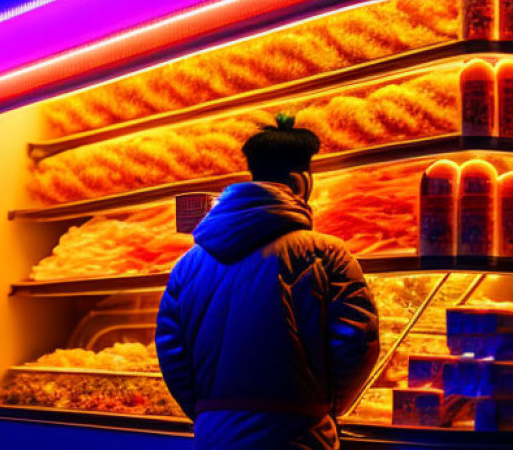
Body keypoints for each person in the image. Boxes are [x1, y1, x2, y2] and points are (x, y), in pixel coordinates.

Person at [156, 115, 380, 449]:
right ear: (300, 182)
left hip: (214, 436)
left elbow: (172, 351)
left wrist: (211, 414)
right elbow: (356, 340)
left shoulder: (187, 265)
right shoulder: (326, 254)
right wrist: (324, 407)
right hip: (299, 434)